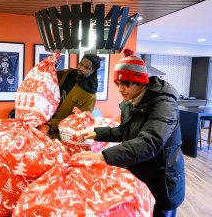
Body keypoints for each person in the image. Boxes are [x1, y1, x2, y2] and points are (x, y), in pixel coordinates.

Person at [74, 49, 185, 217]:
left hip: (162, 182)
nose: (120, 89)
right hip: (141, 176)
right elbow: (125, 131)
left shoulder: (164, 104)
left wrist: (104, 156)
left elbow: (150, 141)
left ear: (140, 82)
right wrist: (96, 133)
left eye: (126, 83)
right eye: (117, 83)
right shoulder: (132, 101)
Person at [38, 54, 101, 139]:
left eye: (86, 68)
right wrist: (50, 64)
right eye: (81, 64)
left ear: (93, 71)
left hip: (61, 136)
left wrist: (53, 123)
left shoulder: (90, 96)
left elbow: (79, 123)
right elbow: (49, 76)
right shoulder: (67, 74)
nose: (81, 69)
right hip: (43, 124)